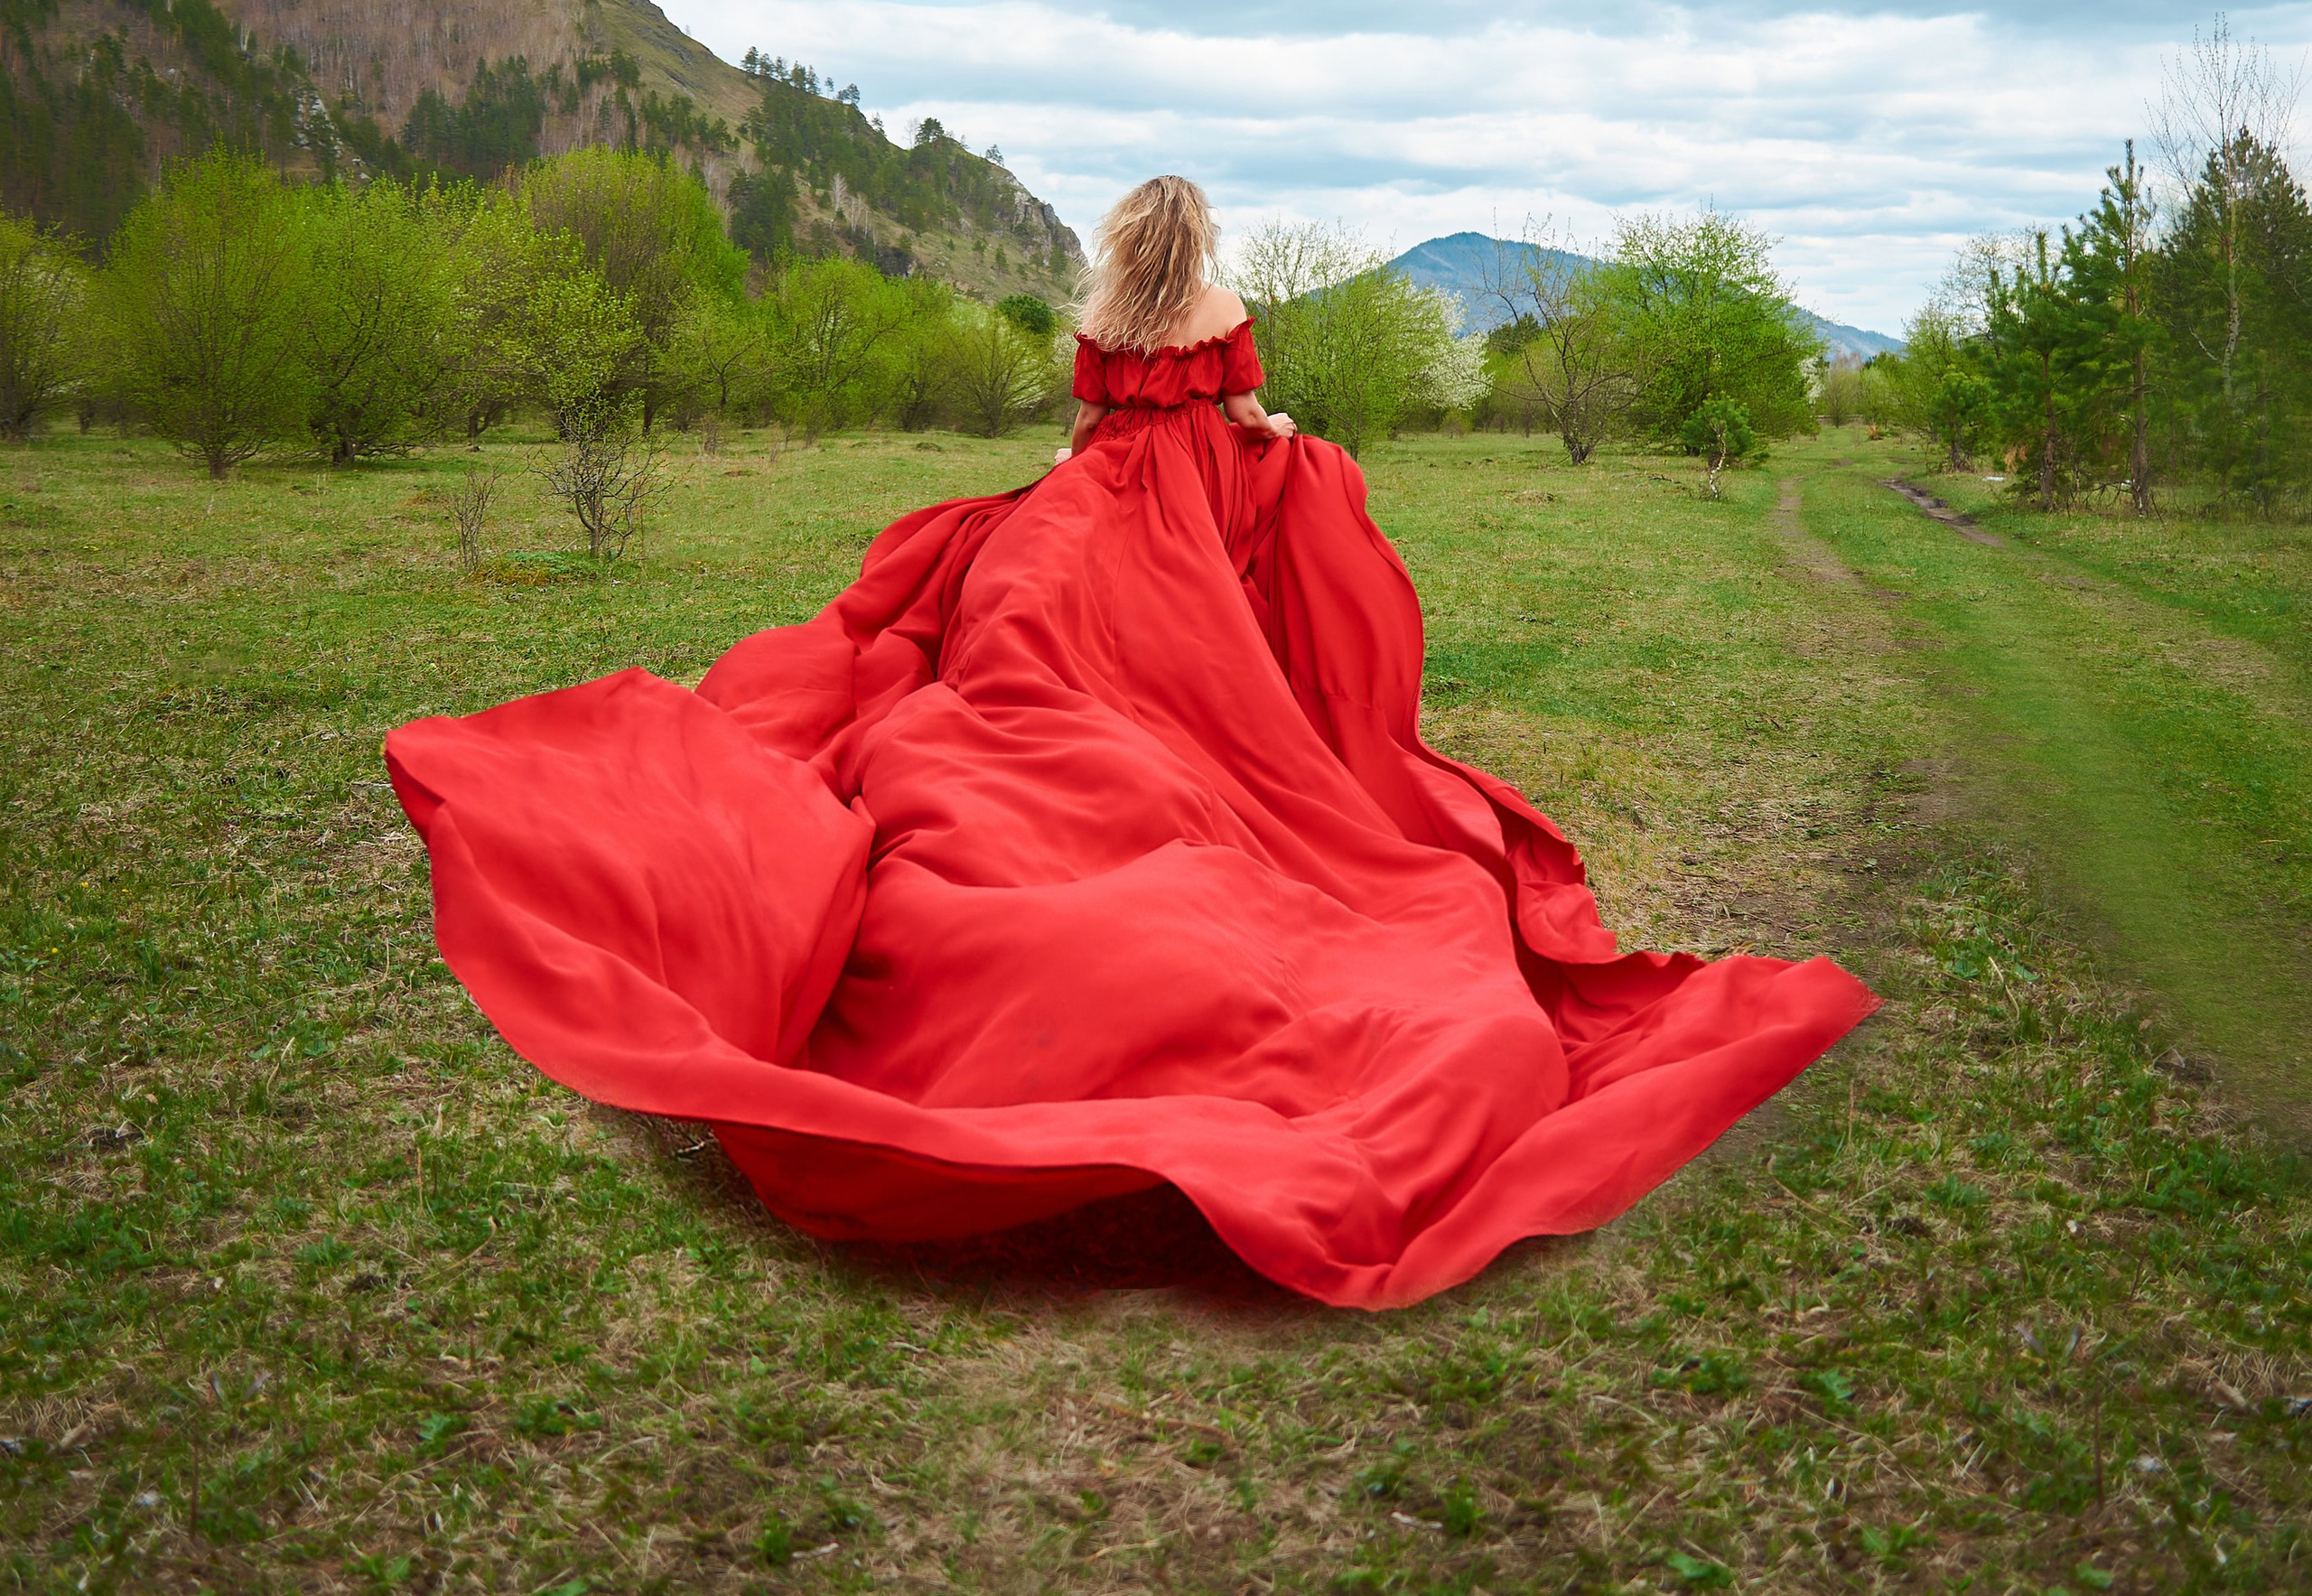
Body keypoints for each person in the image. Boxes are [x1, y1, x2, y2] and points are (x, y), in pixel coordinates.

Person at [387, 173, 1872, 1309]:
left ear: (1122, 244)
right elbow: (1238, 413)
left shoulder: (1096, 322)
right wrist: (1280, 441)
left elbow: (1081, 442)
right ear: (1197, 241)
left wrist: (1055, 496)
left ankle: (1107, 739)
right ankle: (1221, 749)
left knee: (1002, 624)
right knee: (1234, 597)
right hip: (1174, 517)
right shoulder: (1218, 315)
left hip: (1091, 506)